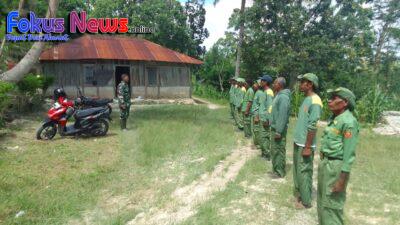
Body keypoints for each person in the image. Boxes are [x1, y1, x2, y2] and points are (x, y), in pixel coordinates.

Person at [317, 87, 359, 225]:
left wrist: (342, 179)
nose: (330, 101)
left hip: (336, 167)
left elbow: (348, 155)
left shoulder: (349, 122)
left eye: (334, 98)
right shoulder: (335, 118)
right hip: (326, 164)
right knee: (323, 202)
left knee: (332, 206)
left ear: (345, 102)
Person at [293, 73, 322, 209]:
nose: (300, 84)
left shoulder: (315, 101)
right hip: (299, 141)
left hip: (305, 144)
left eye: (302, 82)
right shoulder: (306, 98)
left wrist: (307, 146)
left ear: (310, 84)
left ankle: (306, 202)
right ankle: (300, 194)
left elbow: (312, 126)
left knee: (304, 172)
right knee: (298, 171)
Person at [270, 77, 291, 178]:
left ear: (280, 85)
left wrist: (278, 131)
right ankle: (275, 169)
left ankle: (279, 172)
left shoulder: (283, 97)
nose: (273, 85)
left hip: (279, 129)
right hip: (274, 127)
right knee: (274, 150)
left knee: (279, 150)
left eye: (275, 83)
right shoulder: (278, 95)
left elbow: (282, 115)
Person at [258, 75, 274, 159]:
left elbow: (270, 107)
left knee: (265, 136)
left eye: (262, 81)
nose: (260, 82)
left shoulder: (269, 92)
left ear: (266, 82)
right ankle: (264, 152)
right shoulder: (265, 91)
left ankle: (267, 154)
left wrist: (267, 119)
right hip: (262, 118)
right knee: (262, 137)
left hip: (265, 119)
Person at [251, 79, 263, 149]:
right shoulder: (257, 92)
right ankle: (256, 143)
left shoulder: (260, 93)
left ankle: (258, 144)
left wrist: (257, 116)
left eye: (255, 84)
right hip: (254, 114)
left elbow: (261, 105)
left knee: (257, 130)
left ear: (258, 85)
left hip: (256, 115)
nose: (253, 85)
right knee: (255, 130)